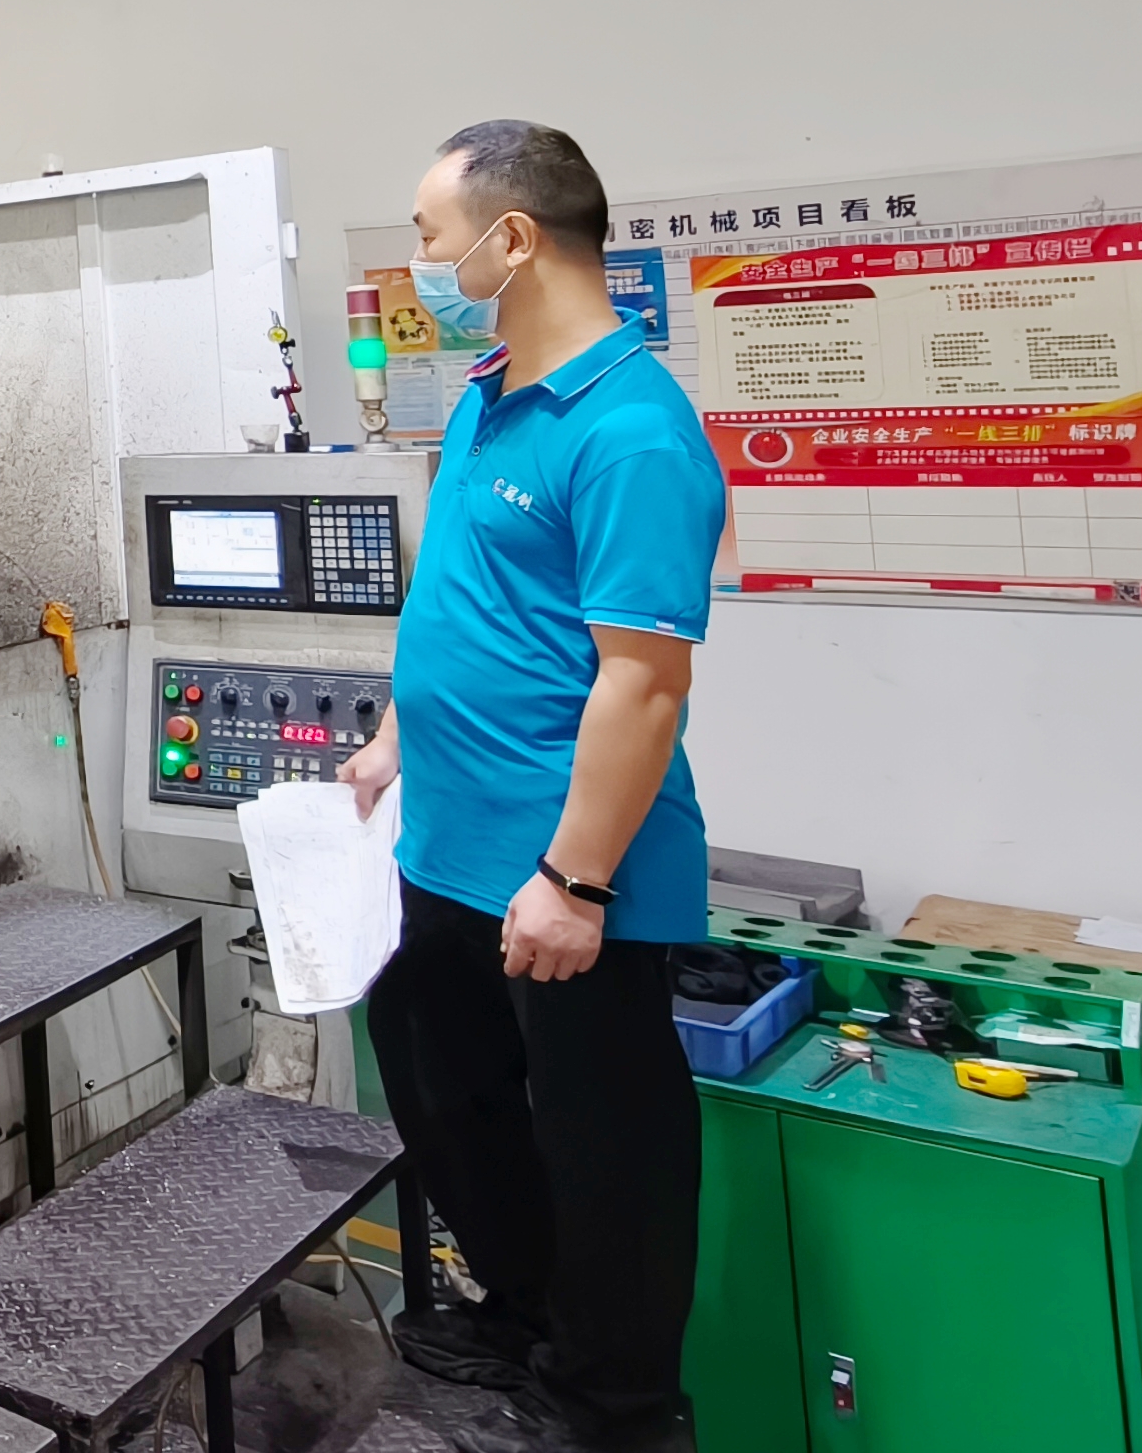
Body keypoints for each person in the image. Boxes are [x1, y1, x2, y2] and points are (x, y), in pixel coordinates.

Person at [343, 122, 722, 1453]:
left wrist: (573, 882)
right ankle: (521, 1313)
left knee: (604, 1152)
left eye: (430, 235)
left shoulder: (632, 433)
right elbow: (462, 601)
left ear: (512, 241)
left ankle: (616, 1405)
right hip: (439, 843)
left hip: (565, 873)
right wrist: (396, 741)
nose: (418, 262)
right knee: (453, 1108)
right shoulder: (489, 397)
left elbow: (645, 685)